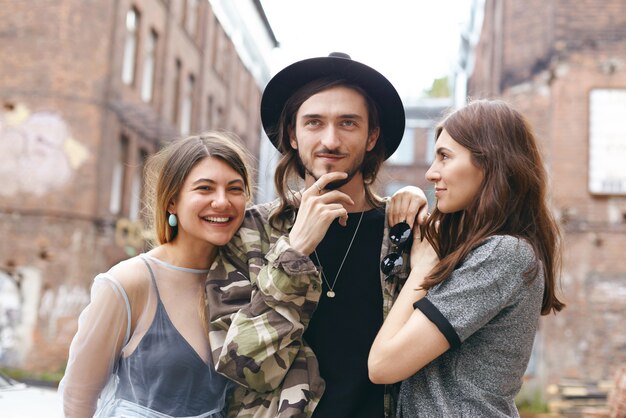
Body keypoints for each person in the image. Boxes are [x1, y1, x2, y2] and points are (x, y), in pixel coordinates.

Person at [206, 52, 428, 417]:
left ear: (372, 136)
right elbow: (244, 368)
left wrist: (414, 200)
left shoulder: (404, 233)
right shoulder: (249, 234)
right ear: (292, 135)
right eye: (313, 123)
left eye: (348, 124)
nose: (331, 140)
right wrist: (295, 250)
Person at [368, 99, 566, 417]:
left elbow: (382, 365)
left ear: (488, 164)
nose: (432, 173)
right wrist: (410, 198)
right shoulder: (482, 250)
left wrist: (424, 267)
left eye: (445, 157)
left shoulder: (504, 256)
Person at [59, 132, 253, 418]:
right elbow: (78, 397)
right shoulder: (129, 282)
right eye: (205, 188)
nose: (222, 202)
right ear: (172, 201)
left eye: (235, 189)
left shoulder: (246, 283)